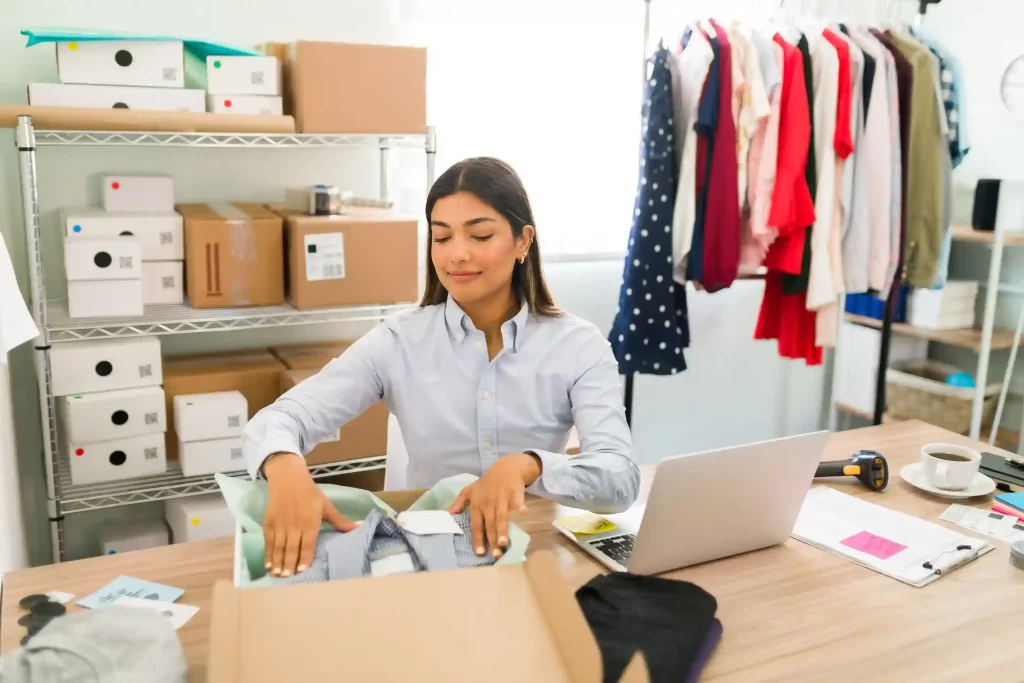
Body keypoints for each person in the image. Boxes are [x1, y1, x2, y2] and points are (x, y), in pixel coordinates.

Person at [243, 157, 639, 578]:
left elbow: (619, 476)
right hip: (430, 563)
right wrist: (286, 471)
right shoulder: (398, 341)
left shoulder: (578, 346)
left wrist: (530, 465)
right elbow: (281, 419)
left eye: (480, 234)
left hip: (533, 557)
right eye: (442, 238)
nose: (458, 254)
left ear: (524, 241)